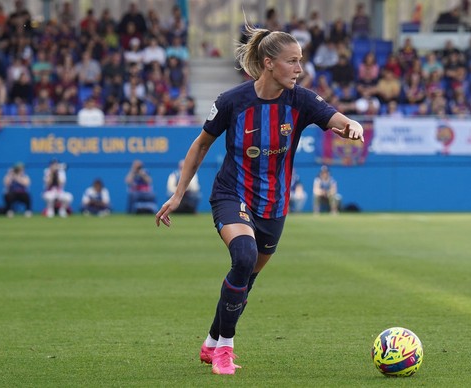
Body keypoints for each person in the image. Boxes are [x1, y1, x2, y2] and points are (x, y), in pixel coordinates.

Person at [154, 21, 364, 375]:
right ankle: (225, 349)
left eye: (301, 61)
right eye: (292, 61)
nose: (300, 68)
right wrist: (178, 194)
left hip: (274, 205)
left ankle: (210, 341)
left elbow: (335, 118)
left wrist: (352, 125)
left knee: (245, 278)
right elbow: (200, 145)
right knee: (244, 255)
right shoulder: (232, 101)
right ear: (269, 62)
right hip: (230, 193)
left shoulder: (301, 100)